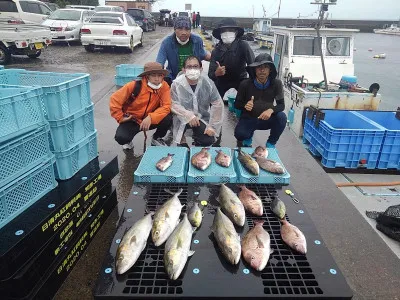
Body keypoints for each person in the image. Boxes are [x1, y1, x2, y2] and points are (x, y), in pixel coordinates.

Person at [110, 62, 172, 150]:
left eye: (160, 75)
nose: (157, 79)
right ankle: (128, 141)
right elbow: (114, 99)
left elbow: (166, 106)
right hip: (133, 119)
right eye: (153, 75)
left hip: (150, 120)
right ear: (147, 76)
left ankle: (157, 138)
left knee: (168, 118)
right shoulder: (133, 85)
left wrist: (151, 117)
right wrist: (120, 117)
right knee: (121, 138)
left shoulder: (164, 86)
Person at [234, 53, 287, 148]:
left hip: (266, 119)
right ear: (254, 69)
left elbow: (281, 105)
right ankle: (248, 138)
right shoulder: (245, 84)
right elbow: (237, 104)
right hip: (249, 117)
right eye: (259, 67)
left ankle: (271, 143)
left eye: (265, 67)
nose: (262, 70)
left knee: (281, 117)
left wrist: (271, 110)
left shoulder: (277, 84)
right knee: (240, 134)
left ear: (270, 70)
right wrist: (245, 105)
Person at [171, 56, 224, 147]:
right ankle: (181, 139)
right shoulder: (176, 84)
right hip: (181, 118)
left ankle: (197, 139)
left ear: (201, 69)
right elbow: (173, 103)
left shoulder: (208, 83)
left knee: (207, 140)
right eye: (189, 67)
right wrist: (188, 115)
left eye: (195, 66)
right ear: (183, 70)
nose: (192, 69)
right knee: (180, 141)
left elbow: (217, 104)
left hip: (200, 117)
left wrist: (212, 126)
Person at [208, 18, 255, 99]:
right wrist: (216, 73)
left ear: (236, 33)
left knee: (248, 97)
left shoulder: (243, 46)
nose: (227, 33)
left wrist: (254, 83)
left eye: (230, 30)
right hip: (222, 81)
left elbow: (253, 65)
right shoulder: (216, 51)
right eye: (223, 31)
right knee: (213, 100)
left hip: (240, 79)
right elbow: (210, 74)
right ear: (220, 34)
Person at [156, 17, 211, 86]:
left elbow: (204, 55)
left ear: (190, 30)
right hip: (174, 78)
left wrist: (217, 58)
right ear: (175, 30)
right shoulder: (167, 43)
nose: (184, 32)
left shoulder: (197, 41)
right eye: (180, 29)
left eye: (187, 29)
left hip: (193, 77)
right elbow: (159, 63)